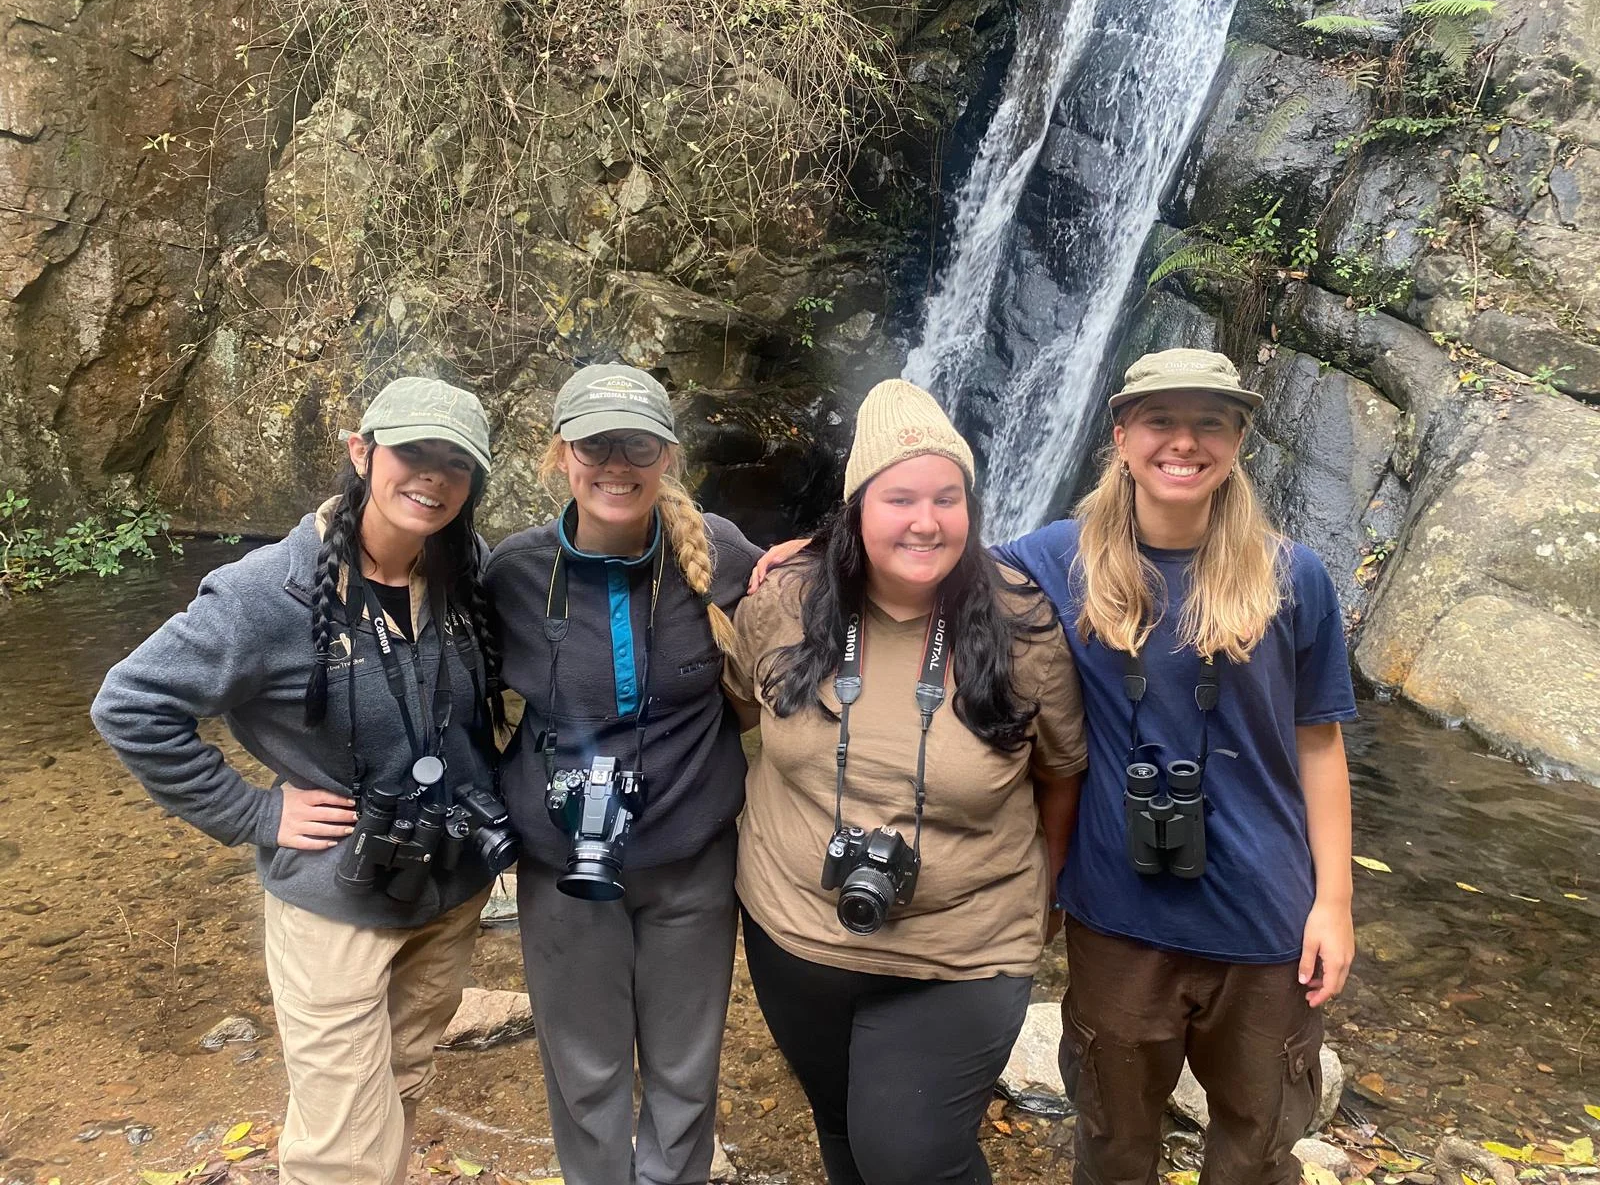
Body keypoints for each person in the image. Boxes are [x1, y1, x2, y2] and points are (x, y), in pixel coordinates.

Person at [92, 378, 506, 1185]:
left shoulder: (467, 570)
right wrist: (253, 812)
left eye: (455, 463)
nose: (433, 475)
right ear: (362, 452)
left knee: (401, 1084)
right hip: (335, 906)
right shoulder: (264, 593)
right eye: (413, 452)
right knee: (340, 1150)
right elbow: (131, 705)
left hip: (450, 894)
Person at [992, 348, 1357, 1185]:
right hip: (1117, 921)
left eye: (1209, 423)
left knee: (1255, 1152)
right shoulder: (1055, 560)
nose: (1184, 442)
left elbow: (1319, 743)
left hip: (1264, 925)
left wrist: (1334, 903)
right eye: (1161, 420)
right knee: (1113, 1148)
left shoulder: (1293, 577)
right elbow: (922, 561)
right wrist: (807, 552)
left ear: (1237, 441)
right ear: (1122, 436)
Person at [725, 378, 1089, 1185]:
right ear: (857, 509)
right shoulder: (786, 601)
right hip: (795, 933)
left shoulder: (1024, 624)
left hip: (964, 945)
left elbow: (1062, 774)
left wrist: (1050, 896)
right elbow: (726, 708)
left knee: (911, 1156)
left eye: (946, 498)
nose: (926, 521)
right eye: (899, 499)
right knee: (842, 1131)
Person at [483, 363, 761, 1185]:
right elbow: (447, 688)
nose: (616, 464)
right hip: (562, 866)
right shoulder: (514, 573)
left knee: (685, 1073)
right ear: (559, 454)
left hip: (692, 864)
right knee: (585, 1075)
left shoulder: (719, 553)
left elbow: (807, 611)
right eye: (595, 444)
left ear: (667, 455)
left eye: (637, 445)